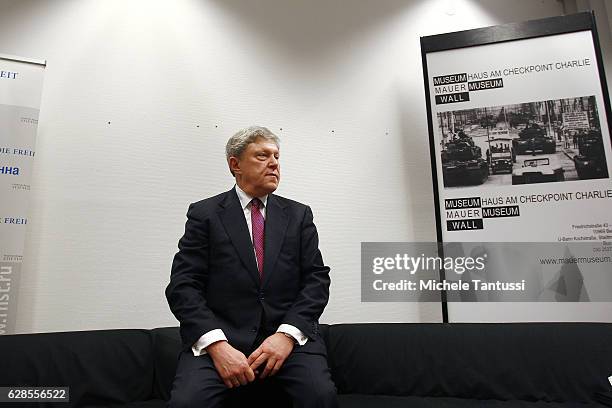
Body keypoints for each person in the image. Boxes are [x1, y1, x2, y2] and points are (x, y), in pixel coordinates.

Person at [165, 126, 338, 408]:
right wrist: (217, 346)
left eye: (277, 157)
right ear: (235, 164)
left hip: (288, 340)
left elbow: (316, 280)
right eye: (262, 156)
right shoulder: (204, 214)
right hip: (221, 340)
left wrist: (286, 336)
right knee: (187, 403)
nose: (274, 163)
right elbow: (183, 286)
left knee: (320, 396)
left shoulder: (298, 215)